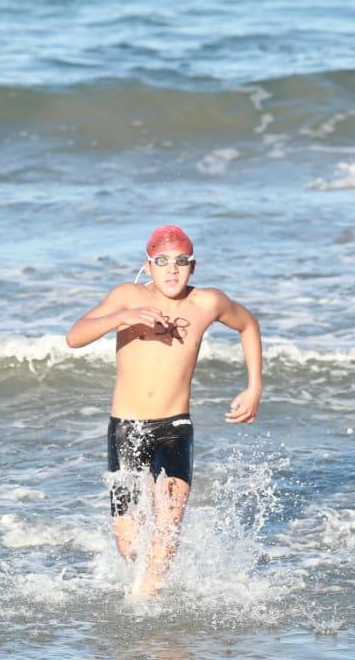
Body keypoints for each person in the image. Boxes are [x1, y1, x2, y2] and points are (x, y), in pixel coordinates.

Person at [65, 225, 263, 597]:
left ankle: (151, 614)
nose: (172, 270)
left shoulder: (207, 303)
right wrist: (123, 318)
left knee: (169, 522)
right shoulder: (127, 295)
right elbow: (74, 336)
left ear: (193, 266)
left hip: (175, 426)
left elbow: (248, 324)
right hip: (127, 428)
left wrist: (254, 387)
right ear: (149, 265)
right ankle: (142, 596)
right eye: (162, 262)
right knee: (129, 543)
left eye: (181, 262)